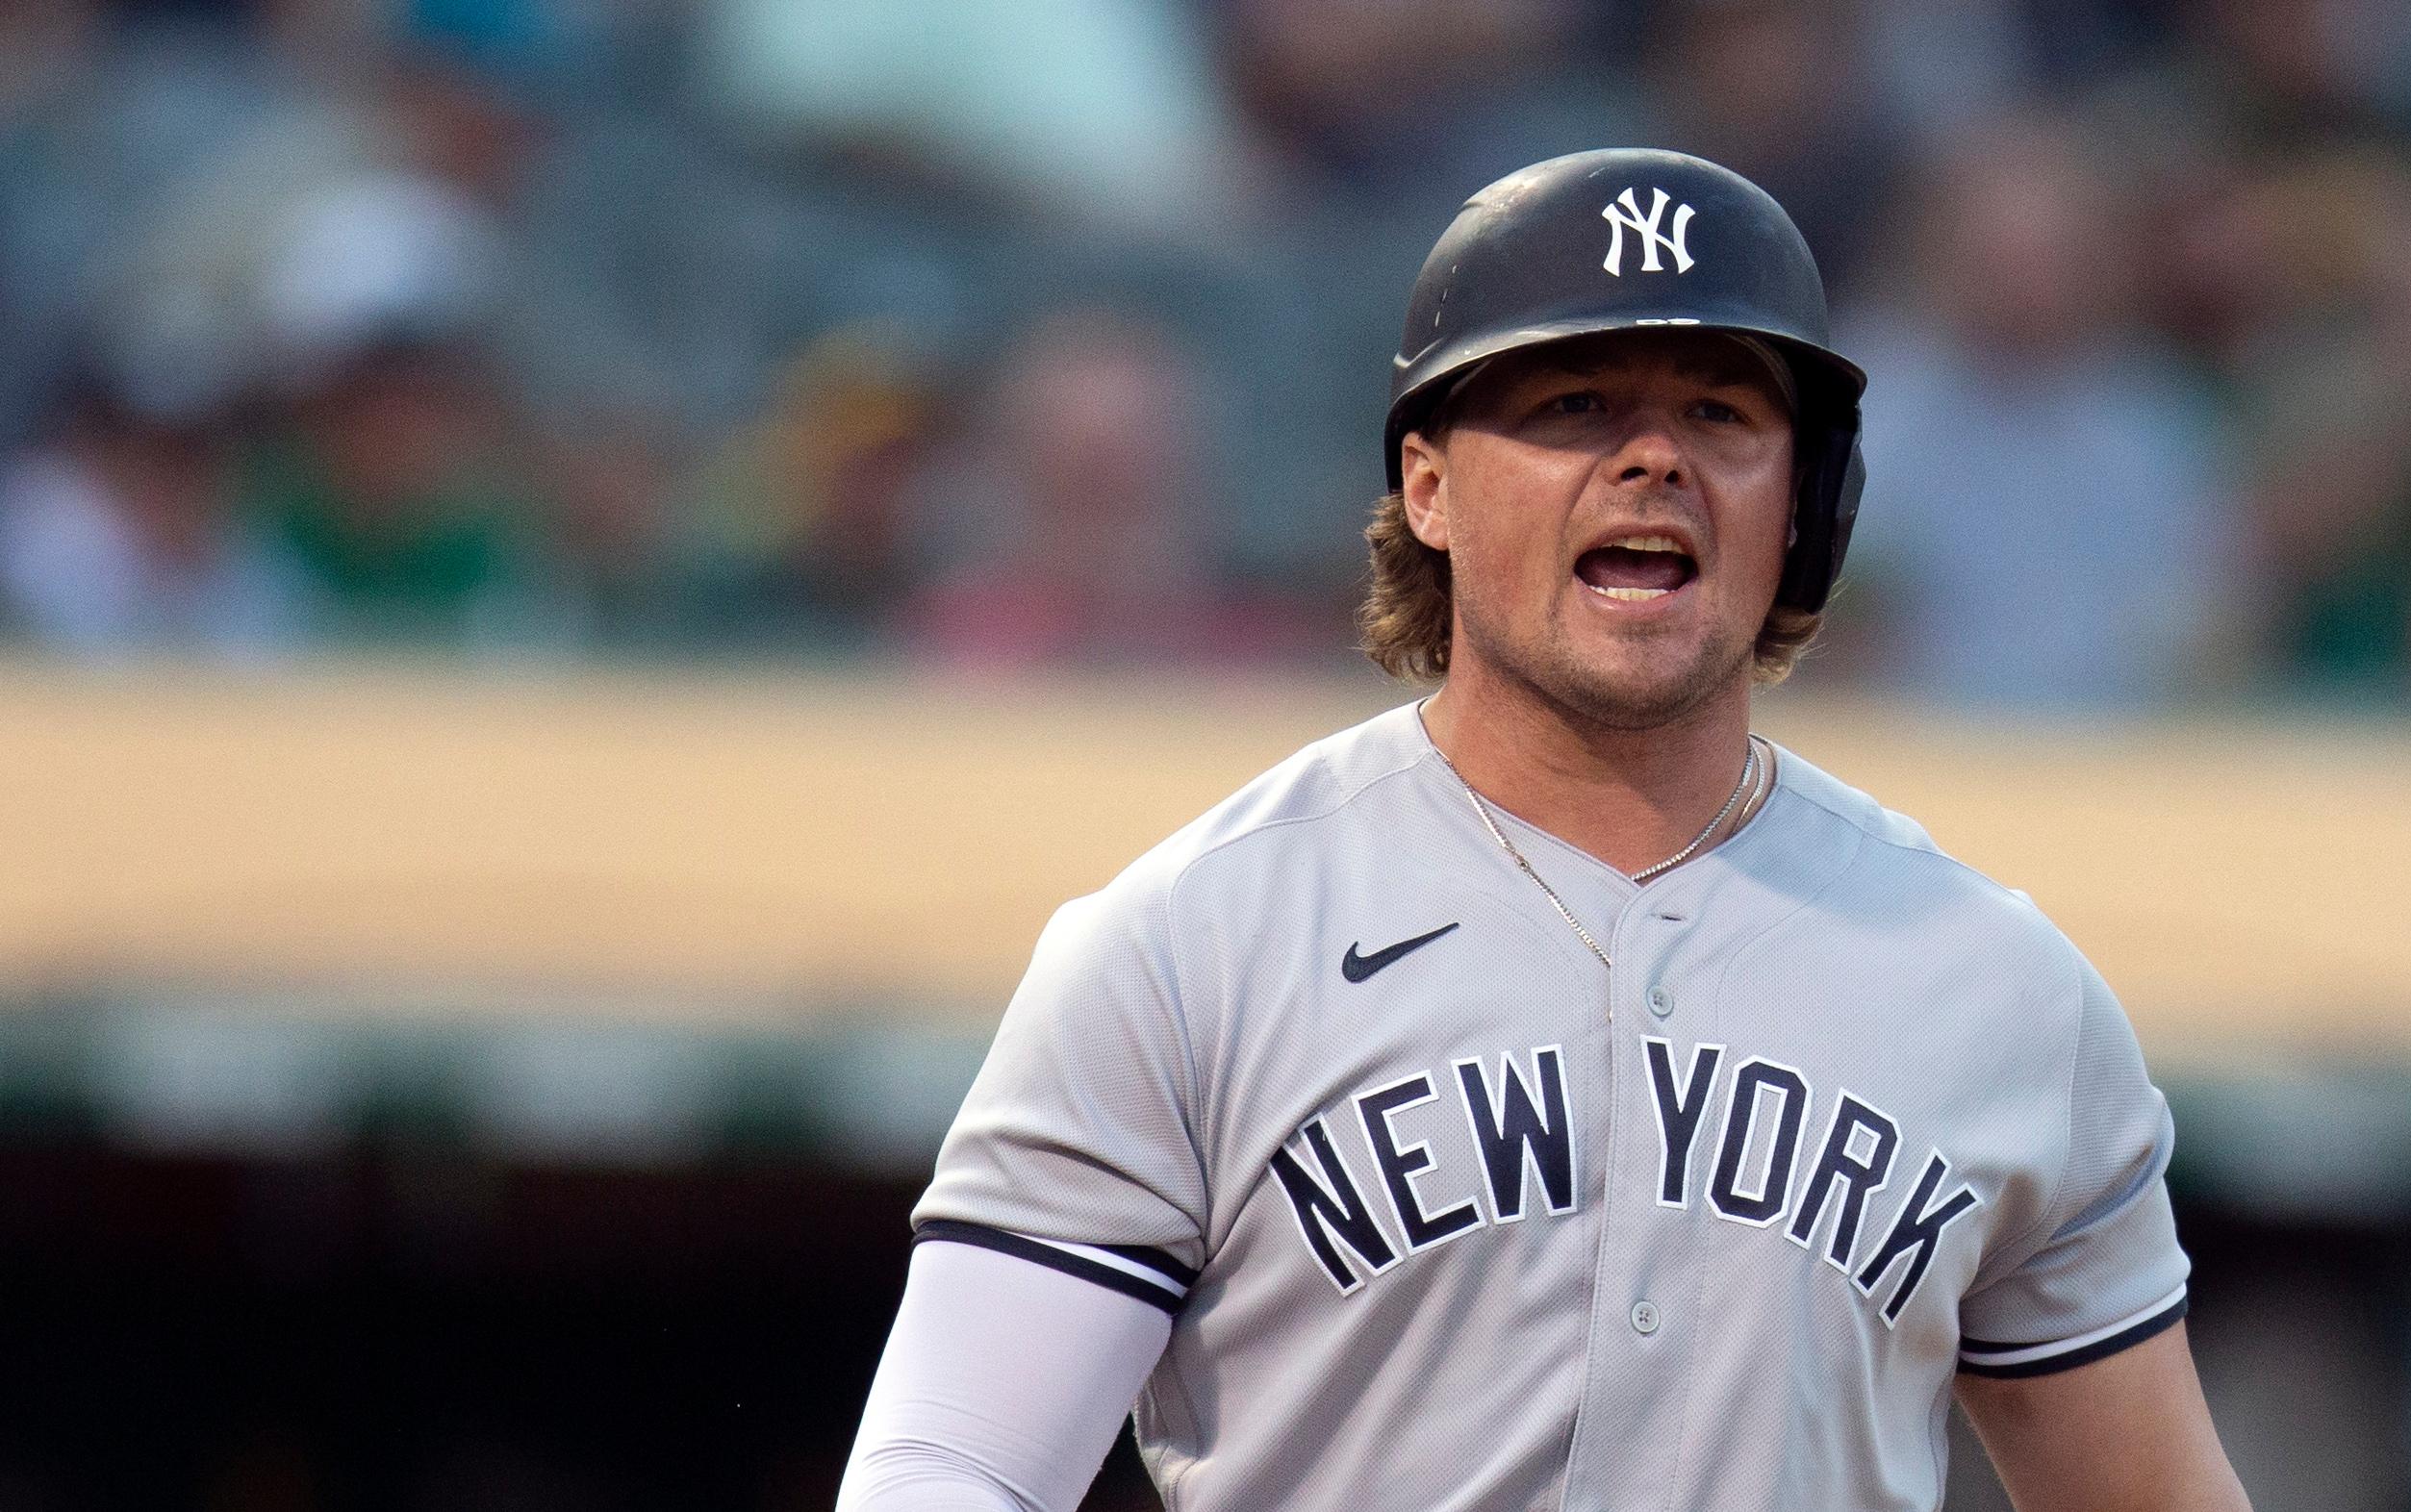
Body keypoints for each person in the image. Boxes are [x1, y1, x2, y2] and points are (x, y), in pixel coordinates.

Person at [839, 149, 2251, 1512]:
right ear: (1431, 489)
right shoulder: (1187, 946)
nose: (1653, 461)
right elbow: (950, 1469)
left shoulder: (2000, 992)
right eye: (1575, 405)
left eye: (1721, 415)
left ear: (1809, 508)